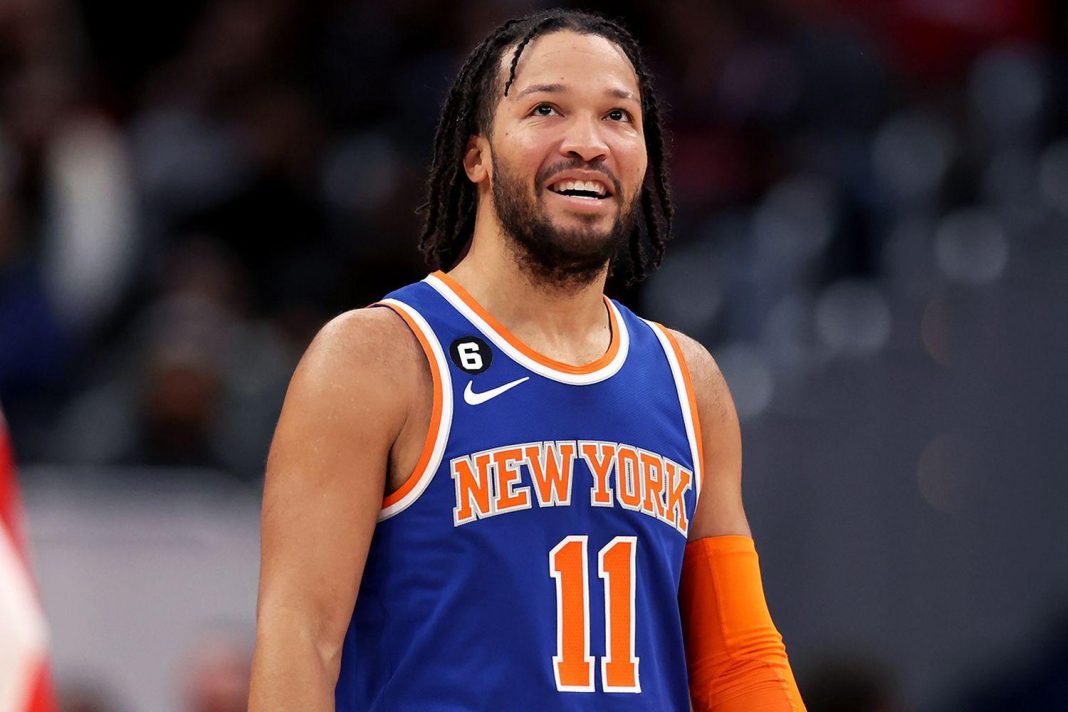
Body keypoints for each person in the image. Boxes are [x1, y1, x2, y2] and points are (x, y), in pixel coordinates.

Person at [250, 9, 804, 711]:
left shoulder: (689, 380)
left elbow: (739, 662)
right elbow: (301, 640)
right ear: (475, 154)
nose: (587, 143)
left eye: (618, 116)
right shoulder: (378, 357)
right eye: (547, 109)